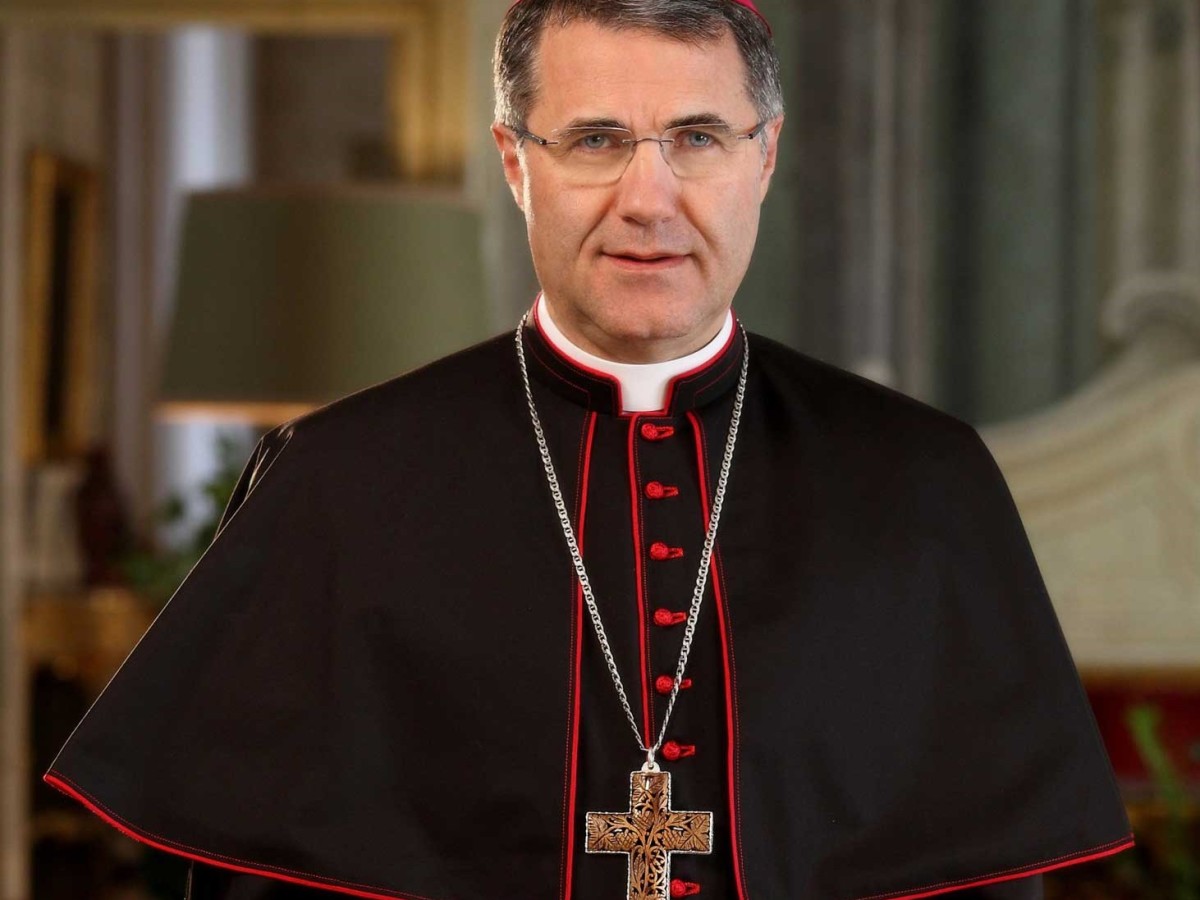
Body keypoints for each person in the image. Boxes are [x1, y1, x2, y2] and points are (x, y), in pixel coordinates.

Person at [46, 1, 1134, 898]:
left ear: (765, 156)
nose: (647, 202)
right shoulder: (338, 483)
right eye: (596, 141)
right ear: (515, 163)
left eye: (698, 138)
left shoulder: (926, 482)